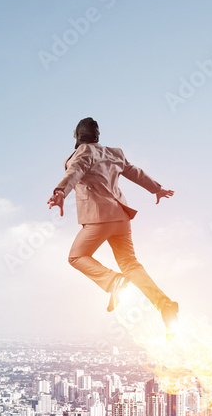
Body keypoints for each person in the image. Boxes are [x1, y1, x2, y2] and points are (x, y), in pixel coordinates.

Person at [47, 117, 179, 332]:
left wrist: (60, 191)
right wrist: (157, 189)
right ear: (98, 135)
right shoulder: (115, 153)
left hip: (99, 218)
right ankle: (165, 306)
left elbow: (75, 171)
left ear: (77, 136)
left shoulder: (84, 152)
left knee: (76, 257)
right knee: (131, 264)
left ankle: (112, 282)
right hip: (121, 217)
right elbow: (134, 172)